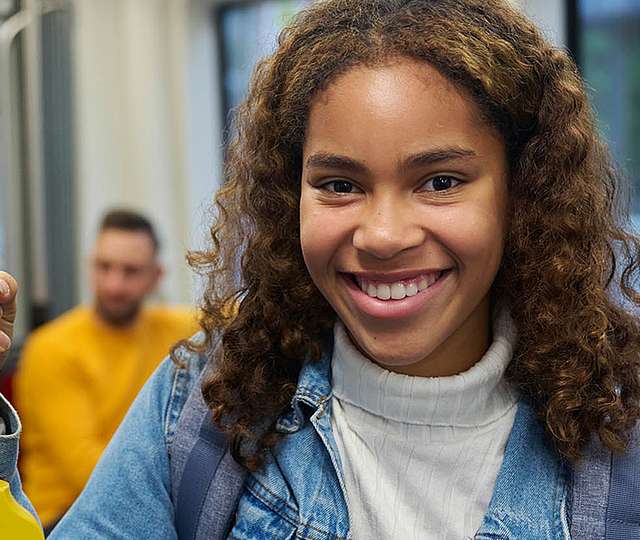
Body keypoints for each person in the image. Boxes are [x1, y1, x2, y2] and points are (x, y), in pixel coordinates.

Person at [0, 0, 640, 537]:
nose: (383, 236)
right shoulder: (205, 400)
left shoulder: (617, 432)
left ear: (521, 193)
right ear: (289, 197)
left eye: (440, 181)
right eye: (338, 185)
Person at [13, 209, 199, 532]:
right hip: (65, 517)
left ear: (156, 276)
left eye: (131, 271)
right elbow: (90, 471)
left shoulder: (173, 327)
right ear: (90, 265)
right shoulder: (52, 348)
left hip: (148, 501)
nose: (114, 284)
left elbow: (243, 313)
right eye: (104, 267)